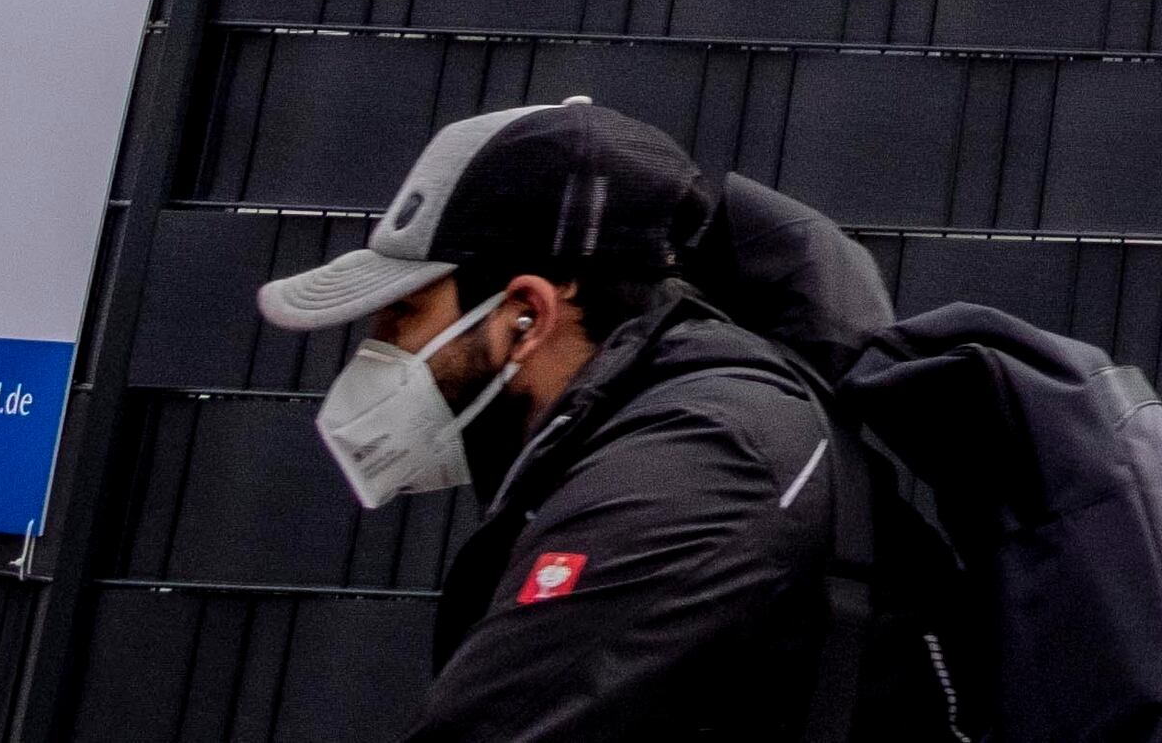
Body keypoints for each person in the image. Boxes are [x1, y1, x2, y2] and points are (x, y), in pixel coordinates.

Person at [261, 100, 893, 743]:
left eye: (401, 318)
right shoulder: (653, 430)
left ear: (526, 314)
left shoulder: (697, 462)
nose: (378, 351)